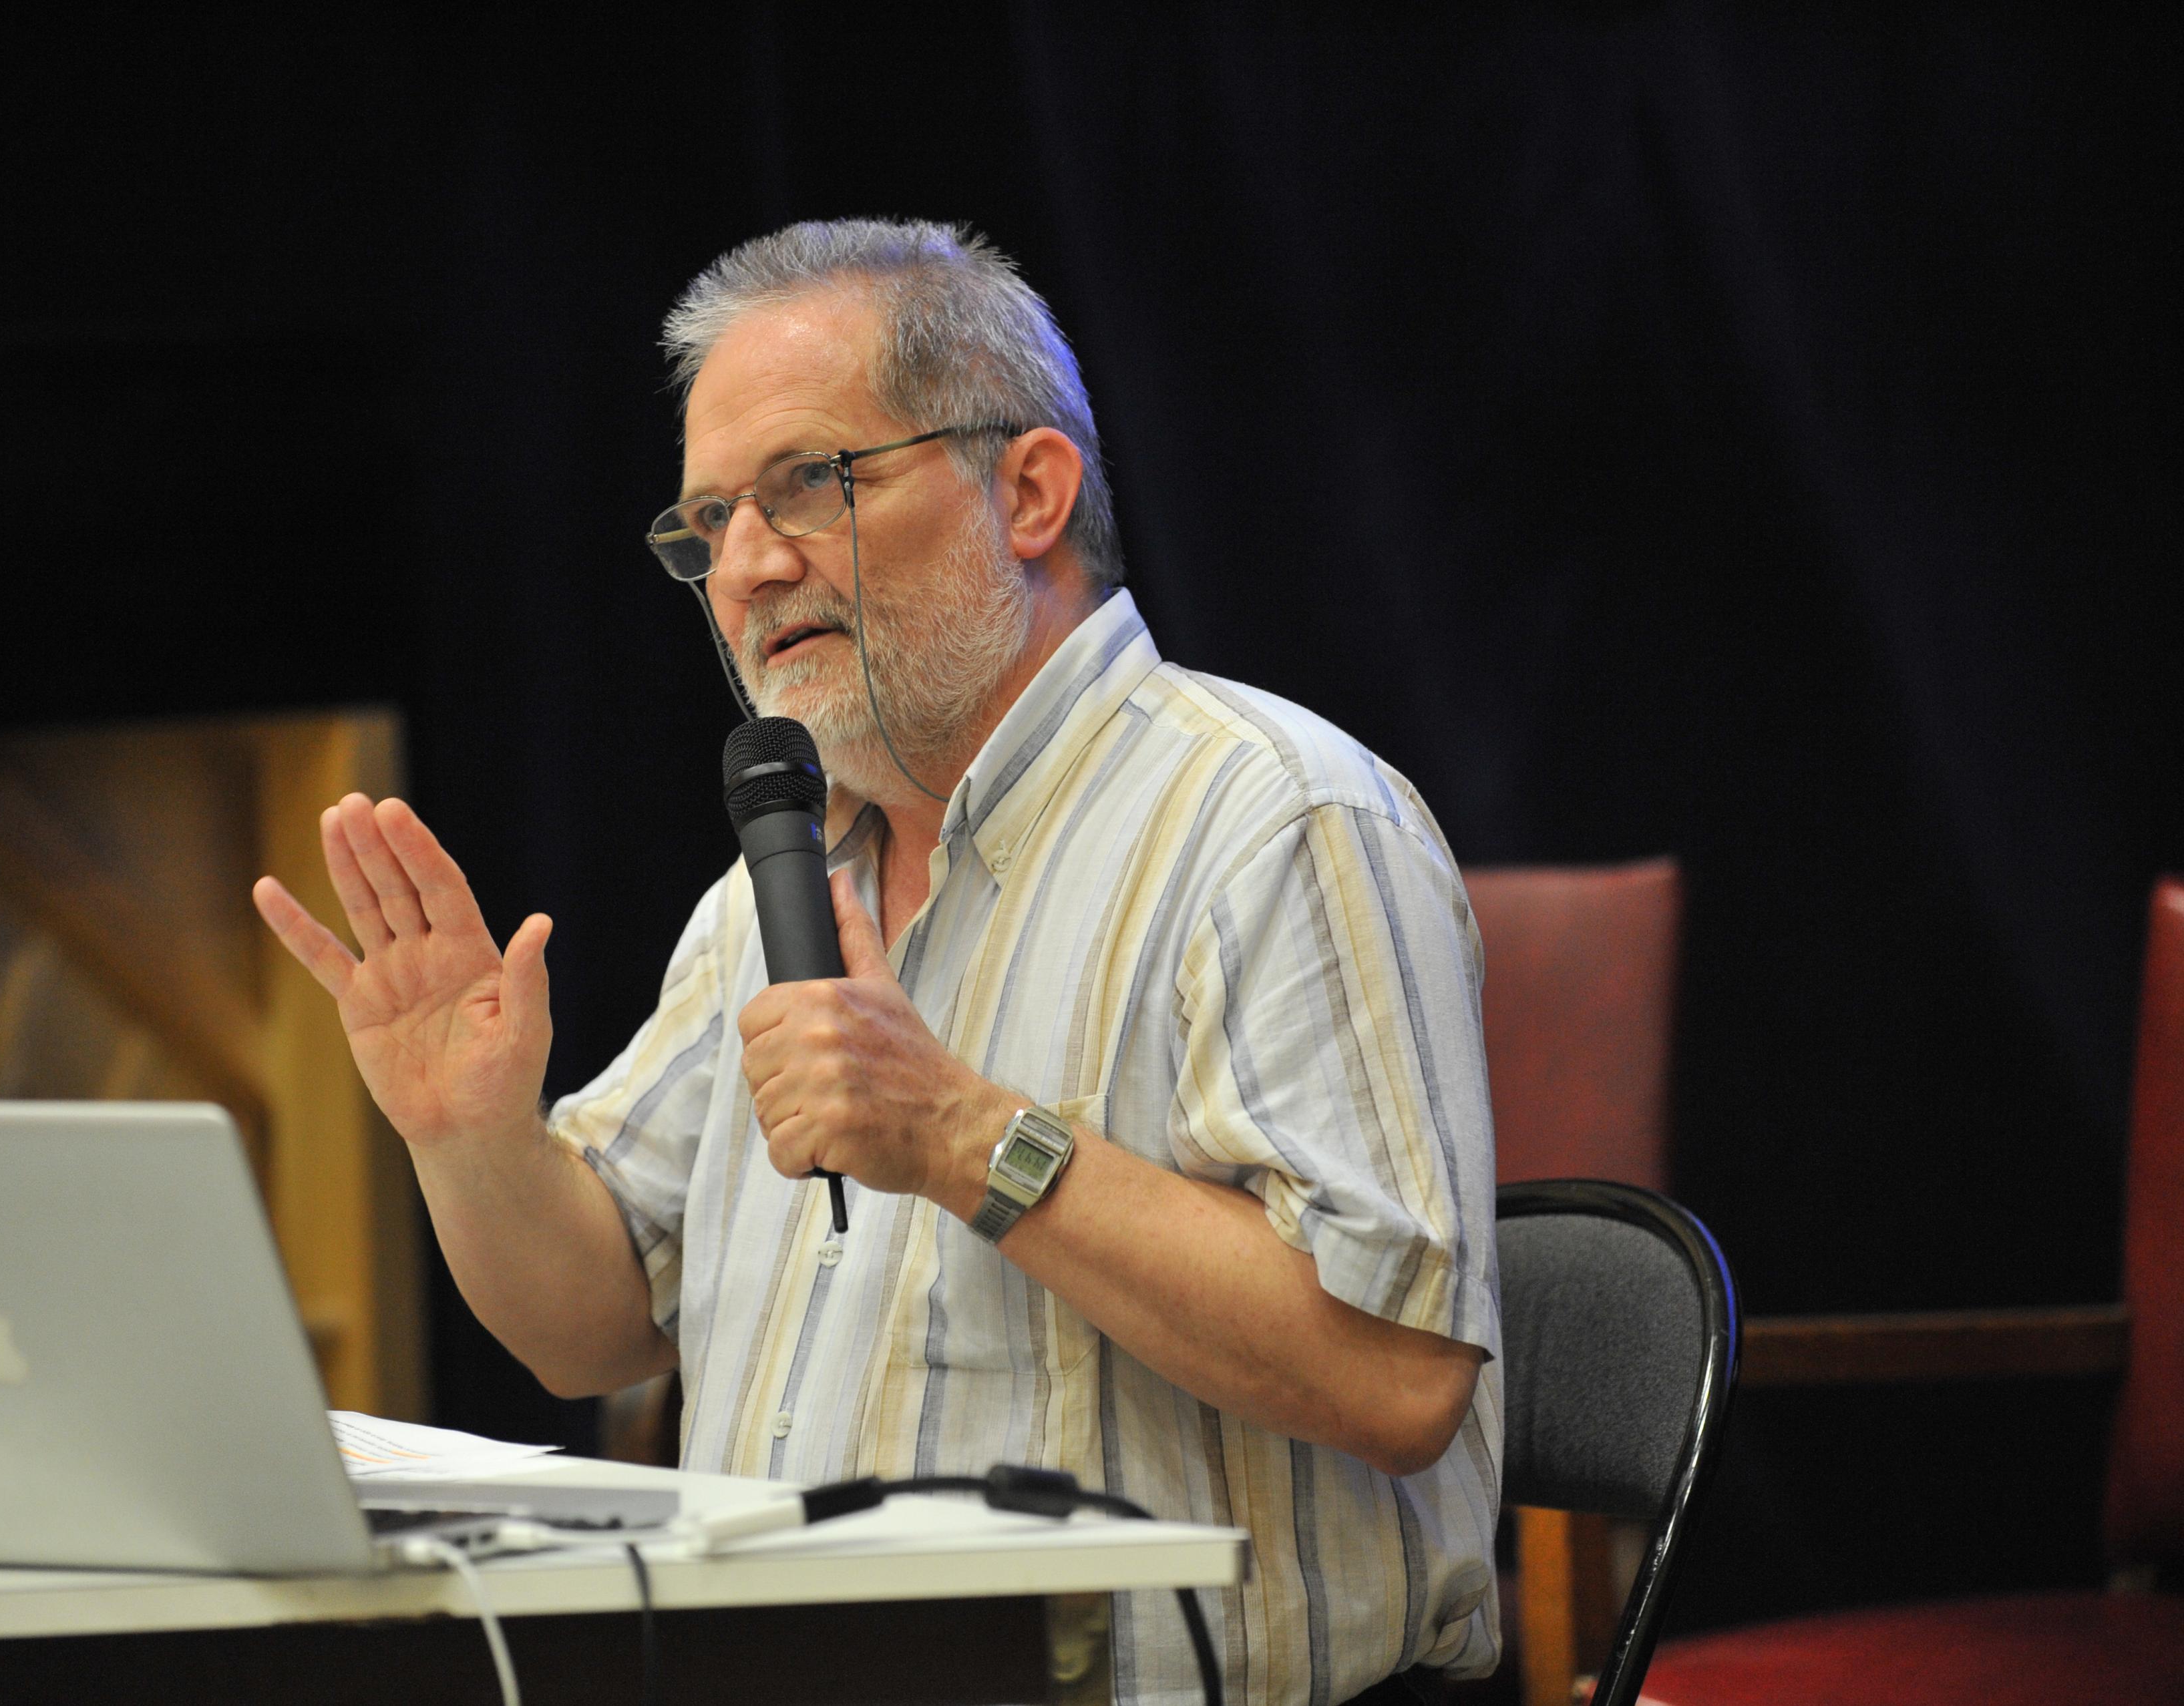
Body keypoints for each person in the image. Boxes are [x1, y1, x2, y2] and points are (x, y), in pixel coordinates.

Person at [254, 220, 1499, 1705]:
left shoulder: (1275, 819)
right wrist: (467, 1139)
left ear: (1028, 491)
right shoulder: (773, 885)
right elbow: (590, 1327)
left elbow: (1399, 1373)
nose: (747, 570)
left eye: (810, 487)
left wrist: (965, 1138)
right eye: (706, 524)